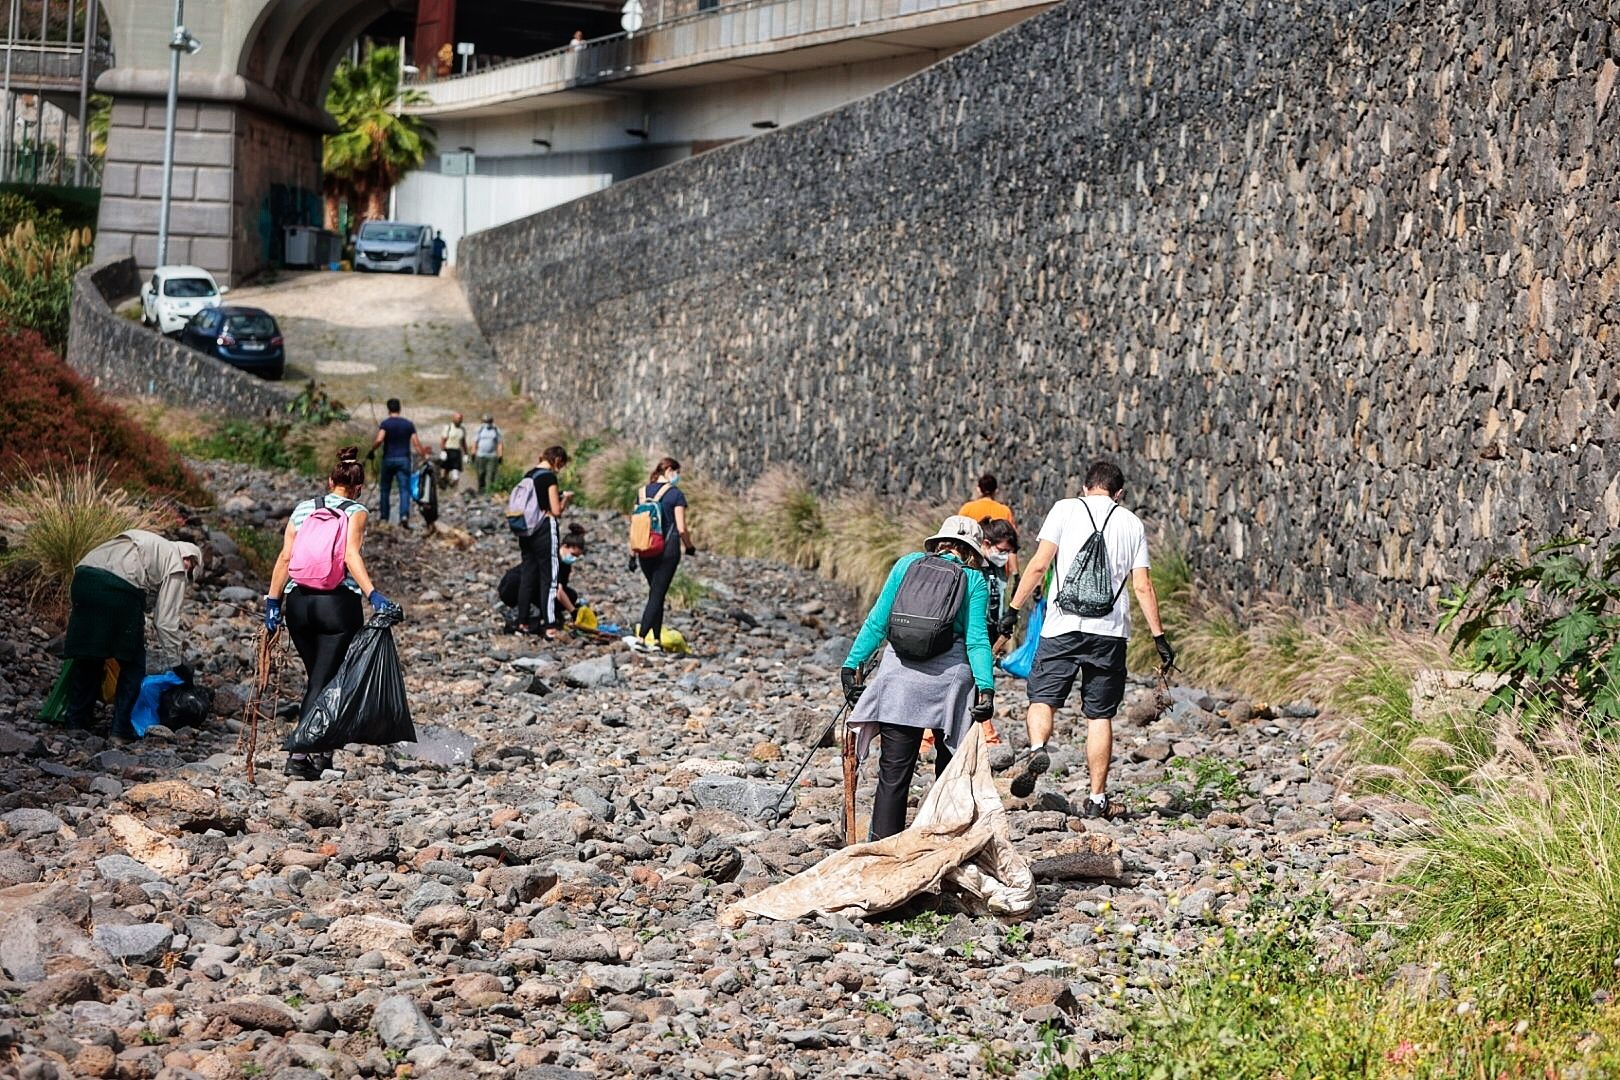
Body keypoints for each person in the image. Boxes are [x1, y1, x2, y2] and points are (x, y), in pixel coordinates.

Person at [1000, 460, 1175, 814]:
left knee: (1042, 698)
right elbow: (1142, 585)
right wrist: (1159, 637)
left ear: (1085, 487)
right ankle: (1096, 798)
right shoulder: (1131, 523)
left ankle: (1037, 750)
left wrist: (1013, 611)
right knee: (1099, 716)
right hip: (1109, 634)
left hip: (1061, 626)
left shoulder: (1065, 509)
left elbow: (1038, 565)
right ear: (1119, 493)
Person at [839, 515, 994, 840]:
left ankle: (882, 850)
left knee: (893, 774)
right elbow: (977, 638)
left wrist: (852, 664)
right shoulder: (974, 580)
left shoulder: (907, 564)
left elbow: (878, 622)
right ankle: (942, 842)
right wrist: (986, 688)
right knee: (949, 771)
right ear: (973, 551)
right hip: (950, 686)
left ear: (939, 542)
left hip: (900, 681)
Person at [264, 447, 392, 779]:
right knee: (324, 681)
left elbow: (284, 558)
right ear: (359, 487)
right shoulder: (357, 511)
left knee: (319, 680)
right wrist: (373, 594)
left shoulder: (304, 509)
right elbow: (350, 555)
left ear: (329, 480)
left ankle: (321, 752)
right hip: (336, 606)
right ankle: (299, 754)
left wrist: (272, 603)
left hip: (298, 605)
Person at [63, 531, 202, 740]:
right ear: (190, 561)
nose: (186, 570)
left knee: (90, 654)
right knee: (133, 664)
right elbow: (164, 621)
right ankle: (120, 730)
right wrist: (177, 663)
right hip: (118, 589)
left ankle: (76, 721)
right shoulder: (176, 562)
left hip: (84, 579)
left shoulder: (152, 543)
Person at [626, 457, 695, 652]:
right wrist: (689, 547)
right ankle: (641, 639)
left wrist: (632, 554)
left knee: (656, 593)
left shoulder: (641, 493)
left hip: (644, 548)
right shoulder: (675, 495)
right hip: (667, 549)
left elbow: (635, 526)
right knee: (657, 594)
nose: (678, 476)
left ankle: (655, 639)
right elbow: (681, 528)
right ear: (670, 470)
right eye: (677, 472)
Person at [514, 446, 572, 638]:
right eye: (561, 465)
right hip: (544, 530)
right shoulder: (548, 478)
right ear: (556, 460)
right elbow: (555, 511)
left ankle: (522, 622)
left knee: (528, 575)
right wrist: (565, 500)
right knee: (549, 577)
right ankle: (550, 624)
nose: (559, 469)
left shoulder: (528, 475)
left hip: (526, 530)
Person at [368, 398, 428, 528]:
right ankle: (404, 516)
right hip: (404, 460)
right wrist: (424, 456)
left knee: (385, 489)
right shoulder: (408, 424)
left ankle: (384, 517)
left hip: (388, 459)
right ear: (399, 409)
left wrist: (371, 450)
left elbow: (379, 440)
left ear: (388, 409)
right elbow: (416, 443)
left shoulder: (385, 424)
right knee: (404, 489)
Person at [960, 473, 1019, 577]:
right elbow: (1010, 544)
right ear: (996, 491)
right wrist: (1015, 572)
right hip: (998, 567)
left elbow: (960, 538)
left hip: (972, 563)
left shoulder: (967, 509)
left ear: (978, 489)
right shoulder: (1004, 511)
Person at [555, 523, 587, 623]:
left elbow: (562, 587)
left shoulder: (565, 565)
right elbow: (558, 591)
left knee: (571, 595)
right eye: (572, 554)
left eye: (576, 556)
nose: (573, 558)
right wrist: (573, 612)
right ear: (565, 546)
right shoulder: (554, 559)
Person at [473, 414, 504, 494]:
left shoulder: (496, 430)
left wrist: (500, 455)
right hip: (480, 456)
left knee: (490, 475)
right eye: (485, 421)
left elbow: (499, 443)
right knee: (480, 474)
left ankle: (489, 493)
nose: (487, 423)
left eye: (489, 421)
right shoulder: (479, 430)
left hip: (492, 456)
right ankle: (481, 491)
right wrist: (473, 453)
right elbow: (475, 442)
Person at [440, 412, 468, 489]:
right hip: (448, 450)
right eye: (458, 418)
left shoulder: (462, 429)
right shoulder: (448, 427)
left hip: (457, 452)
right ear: (453, 418)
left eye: (461, 419)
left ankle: (454, 488)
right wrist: (442, 451)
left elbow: (463, 442)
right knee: (445, 471)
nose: (460, 420)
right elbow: (443, 440)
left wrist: (466, 454)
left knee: (456, 474)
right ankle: (443, 486)